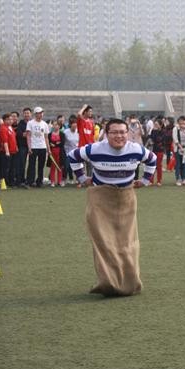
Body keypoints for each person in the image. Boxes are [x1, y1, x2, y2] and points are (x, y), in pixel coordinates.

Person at [67, 118, 156, 297]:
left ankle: (130, 282)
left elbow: (152, 159)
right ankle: (108, 282)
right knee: (103, 242)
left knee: (127, 244)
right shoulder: (94, 149)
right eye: (114, 132)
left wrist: (145, 180)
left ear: (128, 134)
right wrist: (82, 178)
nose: (119, 136)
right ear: (106, 134)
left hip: (126, 198)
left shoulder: (136, 149)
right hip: (101, 198)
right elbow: (72, 156)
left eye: (122, 132)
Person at [26, 106, 50, 187]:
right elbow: (28, 136)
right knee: (31, 165)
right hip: (34, 147)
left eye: (41, 113)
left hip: (42, 147)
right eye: (39, 113)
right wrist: (29, 147)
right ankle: (30, 181)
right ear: (35, 114)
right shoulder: (30, 123)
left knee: (41, 165)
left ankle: (39, 181)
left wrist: (48, 149)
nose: (41, 114)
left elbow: (46, 137)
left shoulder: (45, 124)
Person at [0, 113, 18, 187]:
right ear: (4, 120)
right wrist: (7, 152)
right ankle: (5, 182)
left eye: (11, 119)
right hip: (6, 152)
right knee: (6, 168)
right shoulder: (3, 128)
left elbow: (13, 138)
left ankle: (11, 182)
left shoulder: (10, 127)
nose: (10, 121)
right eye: (8, 119)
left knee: (12, 167)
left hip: (13, 151)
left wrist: (16, 147)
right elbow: (5, 141)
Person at [173, 115, 185, 186]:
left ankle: (184, 179)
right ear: (178, 122)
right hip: (178, 148)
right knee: (178, 164)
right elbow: (175, 139)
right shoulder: (176, 129)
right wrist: (180, 147)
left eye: (183, 121)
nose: (182, 122)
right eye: (180, 121)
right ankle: (178, 179)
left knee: (184, 164)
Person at [47, 120, 65, 187]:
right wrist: (56, 143)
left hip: (60, 153)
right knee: (52, 167)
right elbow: (49, 143)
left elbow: (62, 143)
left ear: (59, 126)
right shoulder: (49, 134)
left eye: (57, 125)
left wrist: (54, 144)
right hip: (52, 153)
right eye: (54, 125)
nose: (55, 126)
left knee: (60, 167)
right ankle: (52, 182)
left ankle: (59, 181)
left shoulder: (62, 134)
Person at [148, 119, 165, 186]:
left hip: (160, 150)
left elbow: (159, 139)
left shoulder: (163, 132)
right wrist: (154, 131)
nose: (155, 126)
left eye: (156, 124)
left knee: (158, 165)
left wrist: (155, 139)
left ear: (160, 125)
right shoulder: (153, 131)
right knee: (152, 165)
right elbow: (151, 139)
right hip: (153, 150)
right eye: (154, 124)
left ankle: (159, 181)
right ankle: (151, 181)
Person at [63, 115, 79, 185]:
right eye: (73, 123)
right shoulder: (66, 132)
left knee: (77, 167)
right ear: (70, 124)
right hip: (67, 152)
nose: (75, 125)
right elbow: (63, 142)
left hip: (76, 152)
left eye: (76, 123)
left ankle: (76, 179)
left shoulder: (78, 131)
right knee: (66, 166)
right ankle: (64, 179)